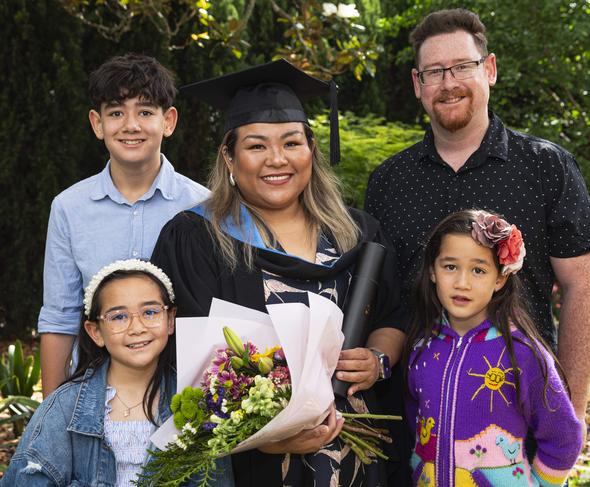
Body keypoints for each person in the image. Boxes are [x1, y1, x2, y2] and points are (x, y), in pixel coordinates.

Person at [151, 58, 407, 487]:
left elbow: (392, 315)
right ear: (229, 157)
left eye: (292, 142)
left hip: (358, 452)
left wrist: (378, 360)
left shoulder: (357, 232)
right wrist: (268, 438)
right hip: (255, 461)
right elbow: (185, 361)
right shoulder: (196, 238)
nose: (277, 159)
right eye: (256, 146)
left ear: (311, 150)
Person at [365, 8, 590, 438]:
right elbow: (379, 300)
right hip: (413, 427)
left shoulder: (547, 168)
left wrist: (571, 413)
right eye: (434, 72)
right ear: (418, 84)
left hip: (520, 422)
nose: (449, 82)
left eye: (463, 66)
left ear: (489, 69)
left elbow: (583, 287)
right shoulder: (388, 183)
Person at [38, 54, 210, 397]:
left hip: (182, 396)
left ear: (169, 121)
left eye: (145, 112)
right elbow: (59, 317)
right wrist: (51, 415)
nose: (131, 125)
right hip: (94, 392)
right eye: (116, 112)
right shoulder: (69, 208)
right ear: (97, 123)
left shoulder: (204, 206)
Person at [2, 259, 234, 486]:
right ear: (96, 332)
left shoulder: (196, 405)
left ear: (170, 319)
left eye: (150, 312)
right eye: (119, 317)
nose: (137, 327)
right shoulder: (64, 408)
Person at [405, 209, 582, 486]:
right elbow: (414, 425)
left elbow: (565, 436)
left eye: (478, 270)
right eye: (450, 266)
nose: (462, 283)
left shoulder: (523, 353)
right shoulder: (422, 348)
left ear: (500, 278)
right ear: (432, 270)